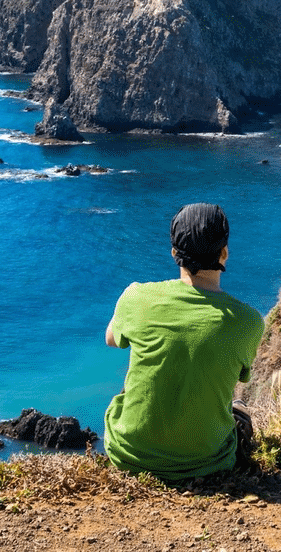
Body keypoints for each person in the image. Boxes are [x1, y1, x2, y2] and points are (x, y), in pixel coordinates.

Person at [103, 203, 265, 481]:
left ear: (174, 254)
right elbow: (240, 374)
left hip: (128, 455)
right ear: (224, 253)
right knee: (238, 409)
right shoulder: (249, 321)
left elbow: (111, 340)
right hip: (208, 461)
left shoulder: (136, 296)